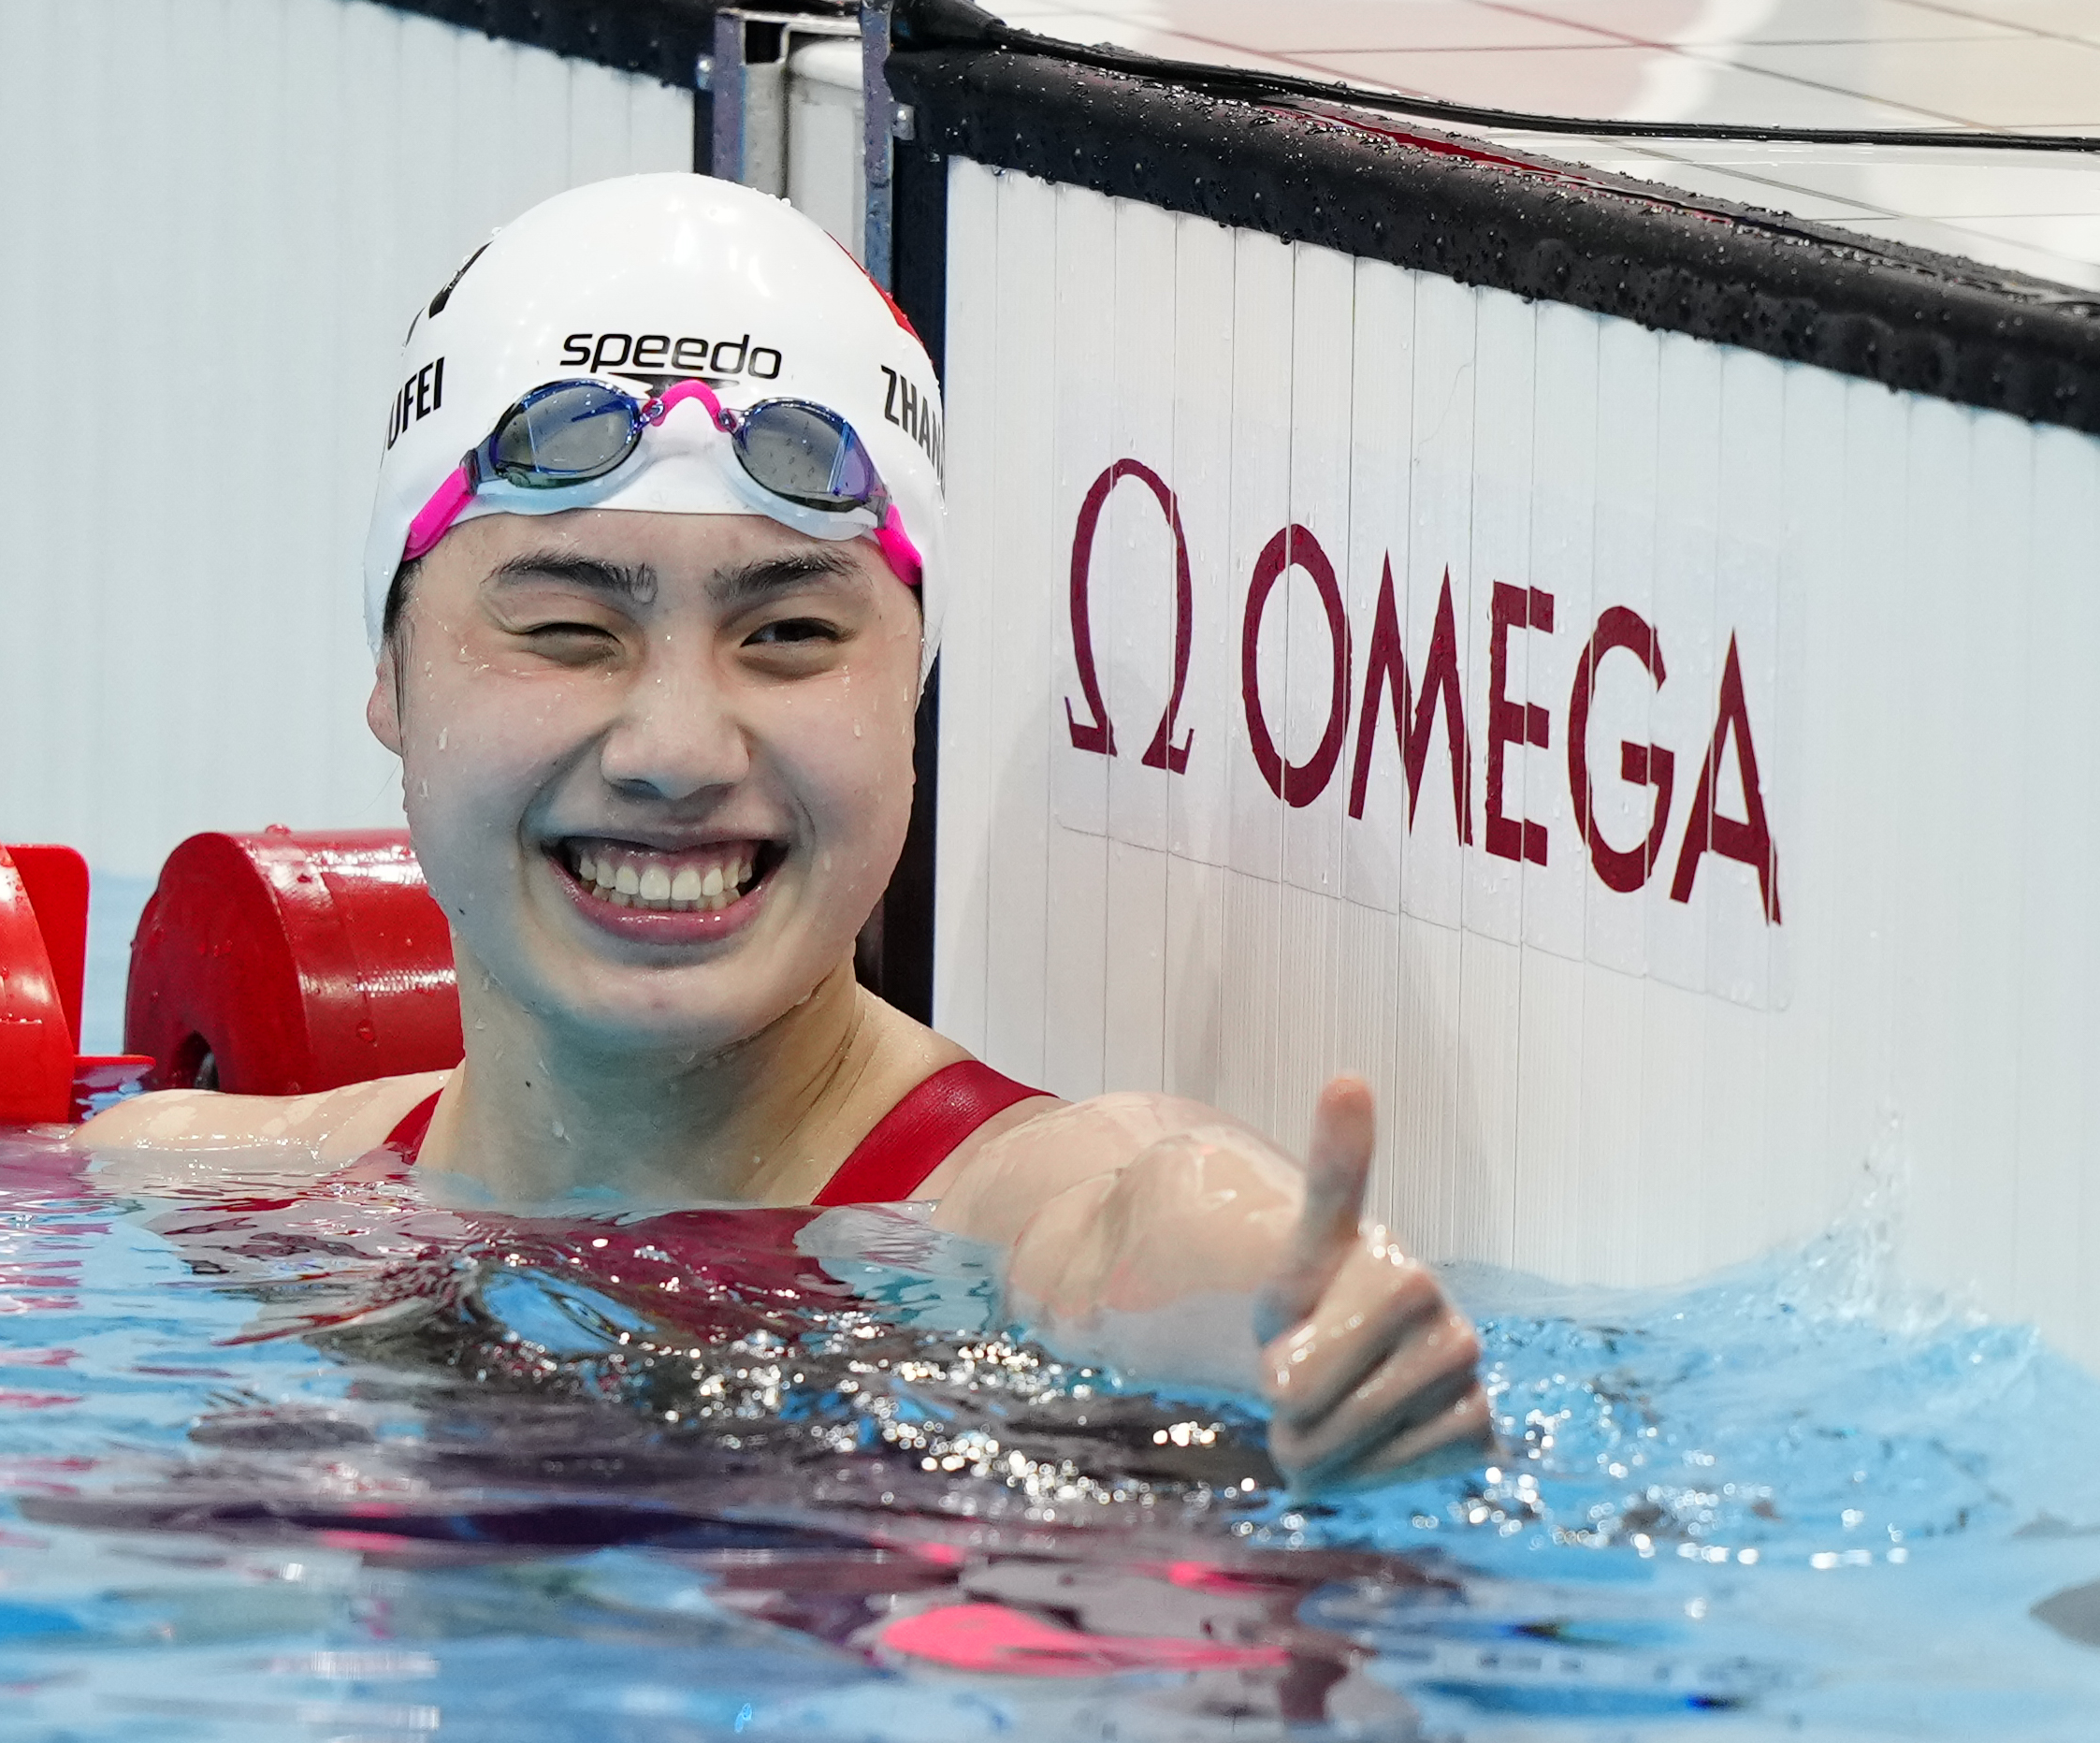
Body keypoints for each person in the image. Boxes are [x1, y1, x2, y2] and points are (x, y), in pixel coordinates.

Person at [77, 172, 1491, 1497]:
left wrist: (1266, 1306)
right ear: (391, 671)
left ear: (910, 688)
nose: (677, 752)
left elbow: (1133, 1221)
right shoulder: (187, 1192)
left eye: (791, 634)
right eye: (568, 632)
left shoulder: (999, 1213)